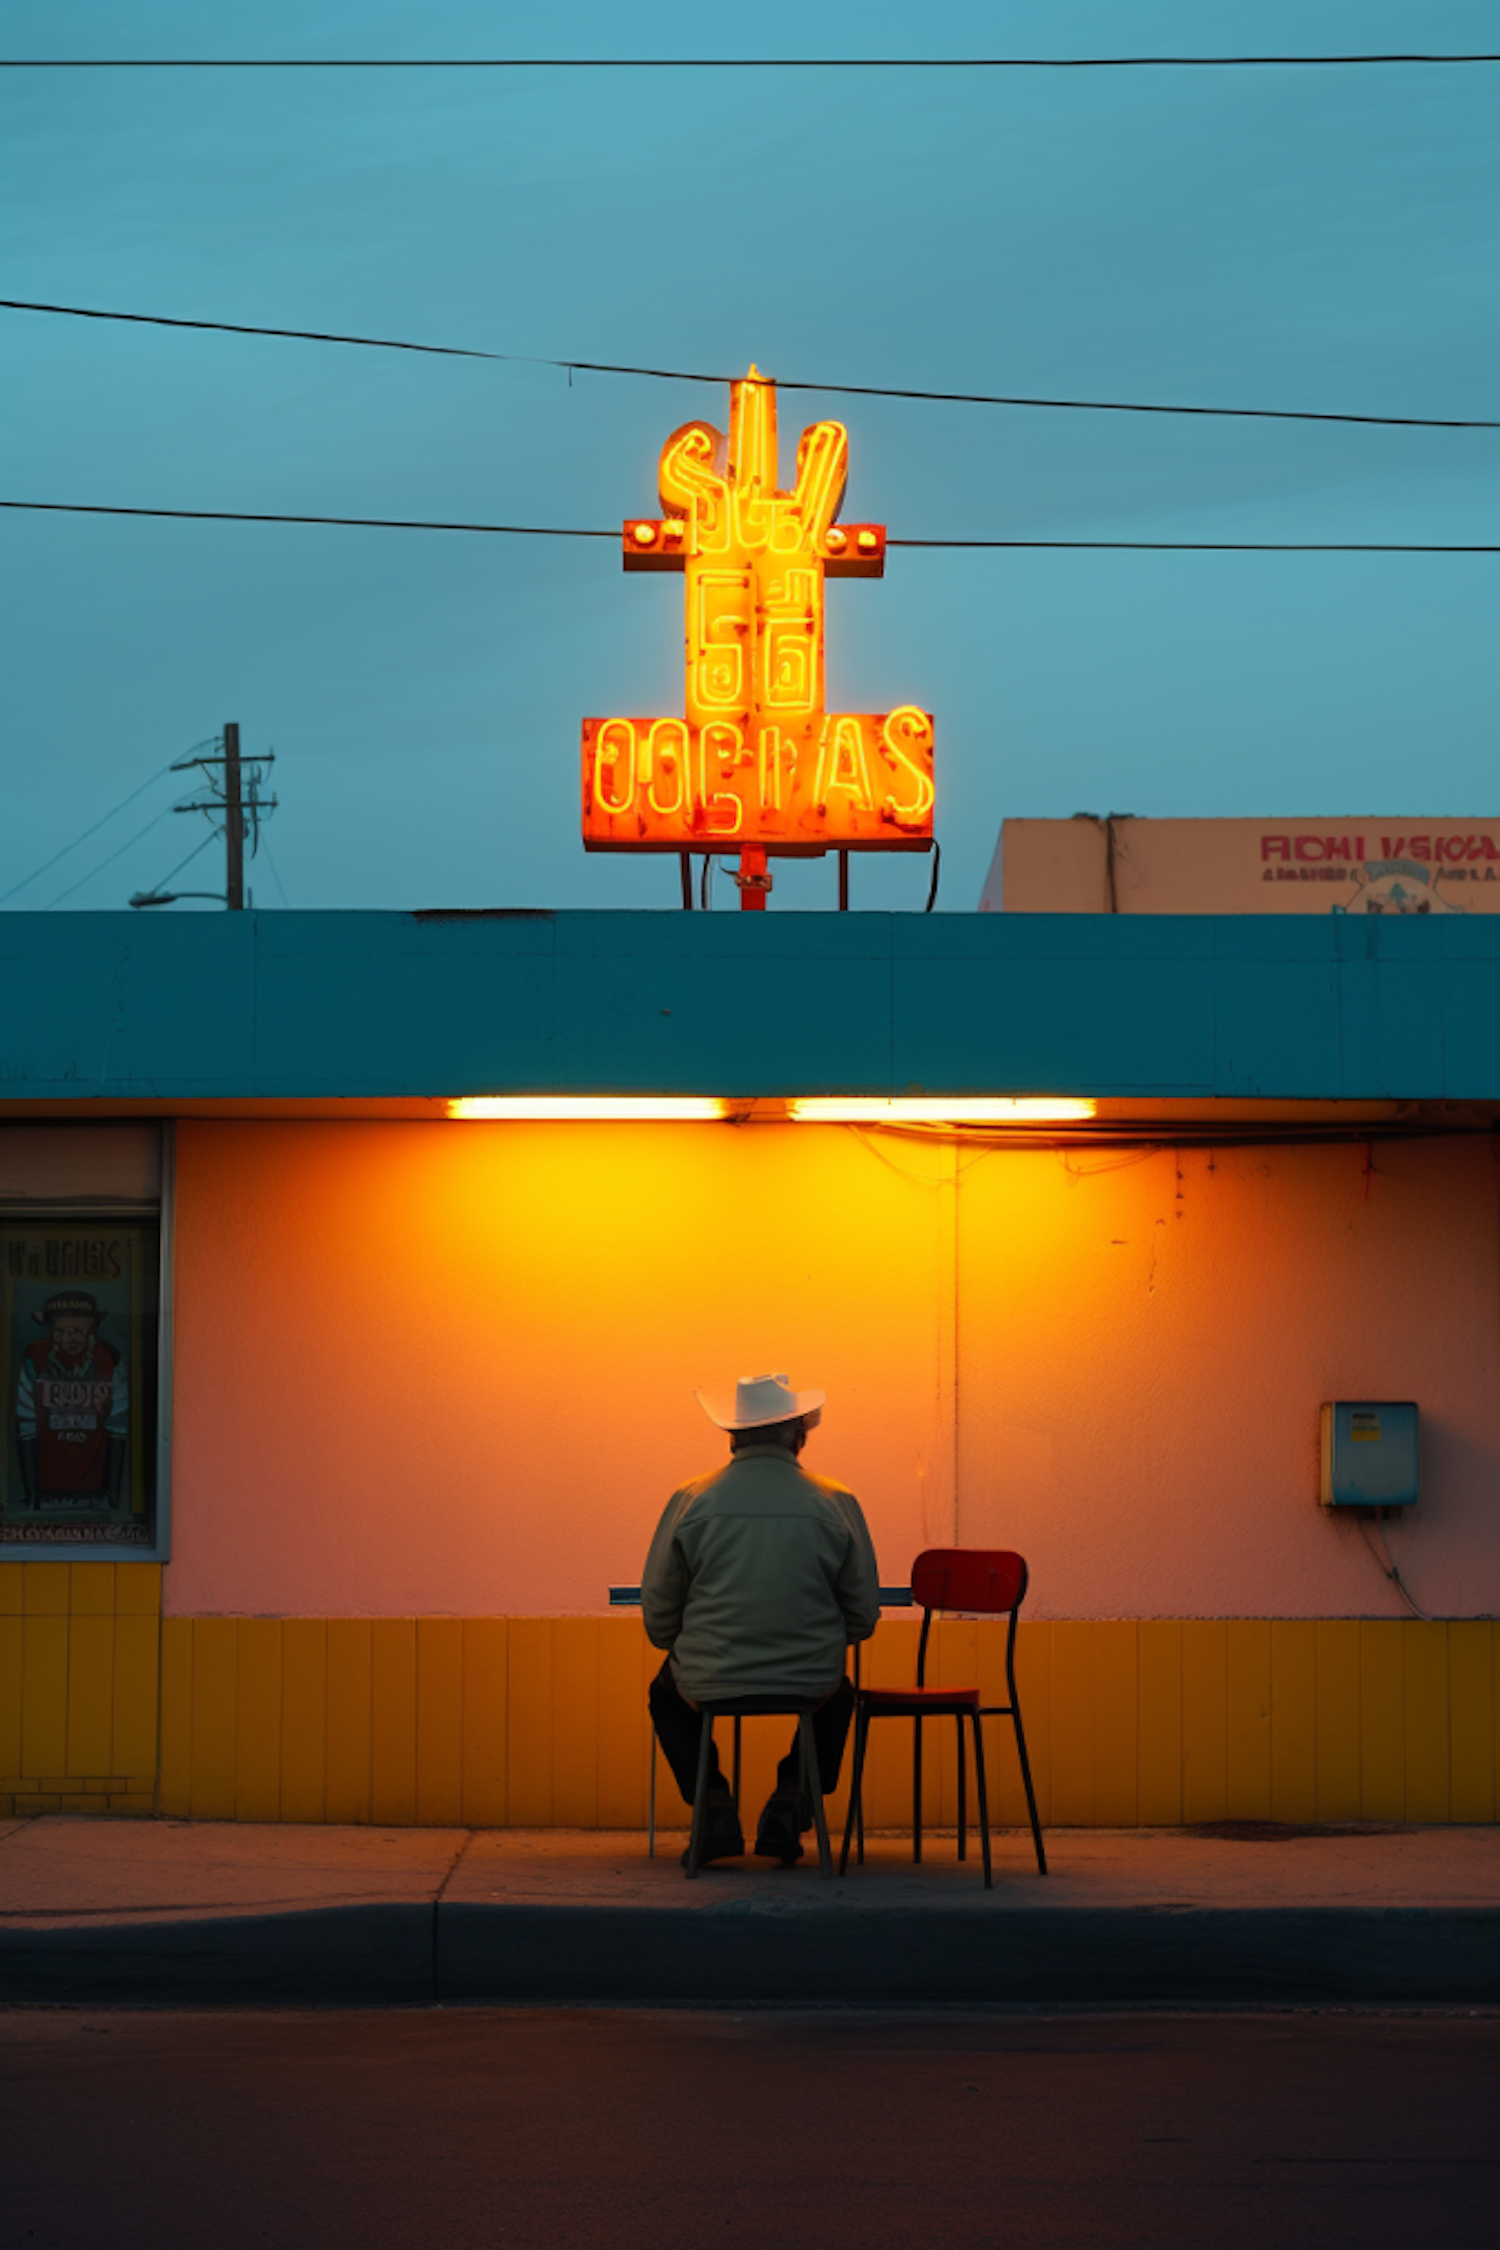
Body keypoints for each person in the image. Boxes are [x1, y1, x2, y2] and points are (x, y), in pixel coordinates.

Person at [641, 1371, 880, 1866]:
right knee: (839, 1698)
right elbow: (862, 1616)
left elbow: (659, 1615)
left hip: (708, 1679)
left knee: (664, 1695)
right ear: (799, 1437)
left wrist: (681, 1645)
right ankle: (791, 1799)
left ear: (732, 1438)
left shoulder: (692, 1500)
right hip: (809, 1679)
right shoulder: (835, 1502)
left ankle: (713, 1807)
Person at [16, 1291, 128, 1512]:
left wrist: (113, 1494)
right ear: (52, 1334)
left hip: (95, 1488)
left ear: (90, 1331)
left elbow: (119, 1425)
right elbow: (25, 1423)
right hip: (47, 1484)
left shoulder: (110, 1360)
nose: (70, 1338)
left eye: (77, 1331)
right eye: (61, 1332)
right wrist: (31, 1494)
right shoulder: (34, 1360)